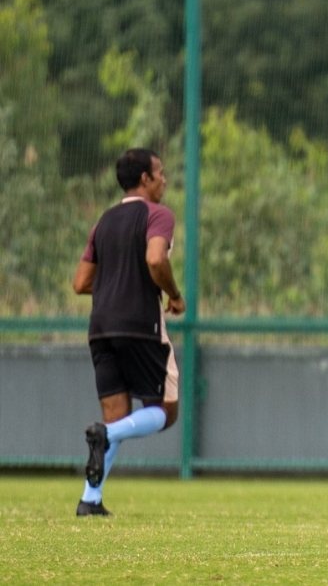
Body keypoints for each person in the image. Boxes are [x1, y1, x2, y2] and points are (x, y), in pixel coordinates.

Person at [71, 148, 185, 516]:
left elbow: (81, 282)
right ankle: (108, 435)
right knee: (164, 410)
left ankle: (90, 500)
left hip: (101, 326)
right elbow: (156, 258)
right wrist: (174, 294)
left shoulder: (103, 222)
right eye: (160, 172)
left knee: (116, 412)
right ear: (145, 179)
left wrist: (116, 282)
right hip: (140, 324)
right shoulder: (158, 215)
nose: (164, 179)